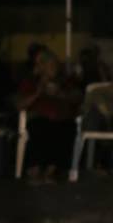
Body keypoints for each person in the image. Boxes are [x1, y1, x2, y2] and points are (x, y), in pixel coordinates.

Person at [17, 44, 81, 180]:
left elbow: (77, 99)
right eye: (42, 63)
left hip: (62, 119)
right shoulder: (32, 82)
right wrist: (38, 92)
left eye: (50, 62)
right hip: (39, 119)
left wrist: (59, 93)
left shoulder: (66, 80)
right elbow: (20, 105)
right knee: (40, 127)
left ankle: (50, 171)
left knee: (65, 129)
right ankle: (35, 170)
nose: (49, 66)